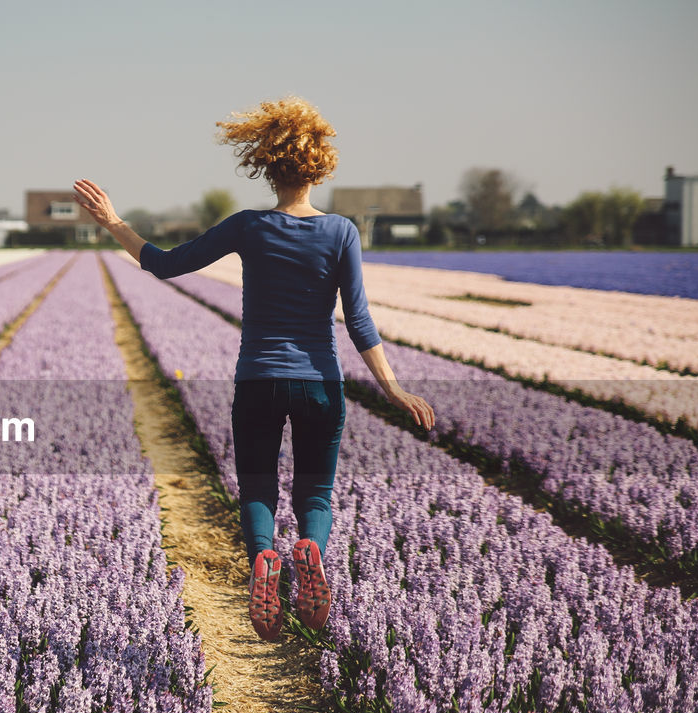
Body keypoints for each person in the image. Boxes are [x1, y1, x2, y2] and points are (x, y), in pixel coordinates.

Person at [73, 96, 434, 640]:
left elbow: (167, 265)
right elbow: (358, 320)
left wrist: (114, 222)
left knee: (258, 487)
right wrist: (393, 389)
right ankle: (309, 548)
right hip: (320, 383)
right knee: (315, 494)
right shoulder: (341, 233)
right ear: (319, 167)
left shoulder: (248, 226)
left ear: (268, 166)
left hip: (258, 380)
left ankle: (264, 559)